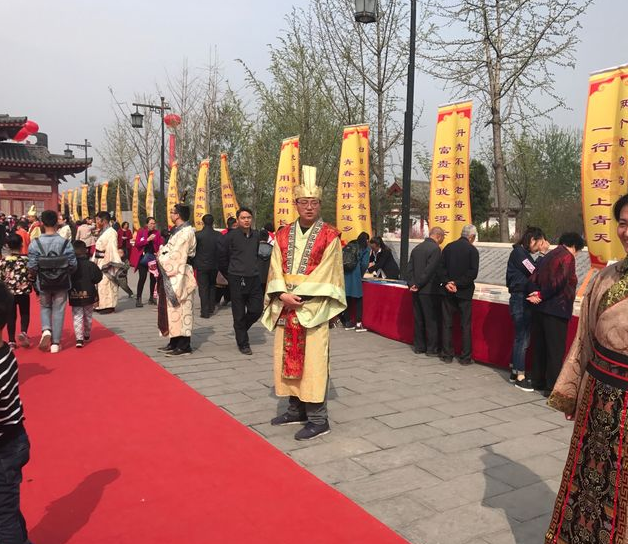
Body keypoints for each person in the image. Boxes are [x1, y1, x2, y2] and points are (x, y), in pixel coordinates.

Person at [544, 195, 628, 544]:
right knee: (586, 477)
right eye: (622, 222)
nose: (626, 231)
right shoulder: (605, 276)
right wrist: (574, 390)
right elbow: (583, 340)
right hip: (596, 395)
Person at [263, 166, 346, 441]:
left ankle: (319, 419)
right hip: (286, 306)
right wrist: (281, 294)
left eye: (314, 203)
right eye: (304, 202)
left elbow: (329, 272)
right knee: (285, 359)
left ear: (320, 204)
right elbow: (275, 267)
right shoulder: (283, 234)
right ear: (296, 204)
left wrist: (299, 294)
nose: (309, 207)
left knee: (313, 364)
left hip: (312, 308)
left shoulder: (330, 236)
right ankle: (294, 408)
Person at [527, 231, 584, 396]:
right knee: (555, 349)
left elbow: (533, 279)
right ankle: (551, 386)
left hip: (541, 308)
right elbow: (561, 281)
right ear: (574, 246)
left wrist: (536, 294)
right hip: (557, 309)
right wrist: (543, 294)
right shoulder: (567, 256)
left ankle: (537, 380)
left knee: (540, 346)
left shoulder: (548, 255)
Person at [0, 283, 32, 544]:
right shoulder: (5, 353)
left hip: (5, 445)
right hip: (14, 438)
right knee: (7, 506)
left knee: (4, 516)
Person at [505, 226, 549, 391]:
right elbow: (534, 271)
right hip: (520, 299)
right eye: (540, 243)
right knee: (522, 338)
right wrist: (543, 255)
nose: (540, 246)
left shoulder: (521, 253)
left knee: (521, 337)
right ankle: (520, 376)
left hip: (521, 299)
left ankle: (515, 371)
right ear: (532, 240)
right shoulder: (519, 254)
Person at [27, 209, 77, 353]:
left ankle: (46, 329)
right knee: (59, 309)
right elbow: (73, 264)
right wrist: (66, 272)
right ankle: (55, 343)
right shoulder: (65, 243)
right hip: (62, 281)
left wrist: (34, 276)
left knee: (45, 306)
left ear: (42, 222)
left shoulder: (35, 243)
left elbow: (32, 266)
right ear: (57, 222)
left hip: (43, 281)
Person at [220, 207, 263, 355]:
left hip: (254, 277)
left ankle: (240, 327)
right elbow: (222, 257)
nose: (246, 220)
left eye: (249, 217)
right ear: (238, 220)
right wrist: (229, 274)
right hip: (236, 277)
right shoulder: (230, 237)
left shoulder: (256, 235)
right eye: (243, 218)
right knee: (238, 312)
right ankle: (243, 343)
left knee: (257, 310)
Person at [156, 204, 197, 357]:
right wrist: (162, 252)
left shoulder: (186, 233)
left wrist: (161, 256)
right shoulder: (178, 232)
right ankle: (174, 341)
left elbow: (177, 256)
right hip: (174, 272)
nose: (171, 215)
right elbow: (169, 250)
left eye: (172, 212)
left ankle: (184, 345)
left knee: (182, 308)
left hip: (181, 274)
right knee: (173, 310)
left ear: (178, 215)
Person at [439, 224, 480, 365]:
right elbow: (472, 273)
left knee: (447, 324)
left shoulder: (448, 247)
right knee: (465, 325)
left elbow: (441, 268)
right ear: (471, 236)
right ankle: (465, 357)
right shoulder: (472, 251)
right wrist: (458, 283)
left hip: (448, 291)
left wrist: (448, 283)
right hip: (464, 292)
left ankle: (447, 354)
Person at [407, 227, 445, 356]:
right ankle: (431, 348)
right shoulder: (435, 249)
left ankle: (419, 346)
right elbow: (430, 270)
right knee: (431, 320)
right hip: (429, 290)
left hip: (416, 290)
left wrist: (412, 284)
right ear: (439, 236)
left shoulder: (417, 248)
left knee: (419, 319)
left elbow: (409, 268)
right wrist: (418, 284)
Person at [0, 234, 33, 349]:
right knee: (24, 312)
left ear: (8, 246)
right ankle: (23, 332)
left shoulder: (3, 262)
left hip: (8, 293)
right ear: (21, 245)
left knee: (11, 316)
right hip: (23, 290)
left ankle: (11, 340)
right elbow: (31, 275)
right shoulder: (26, 260)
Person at [69, 240, 103, 348]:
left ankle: (79, 339)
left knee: (77, 316)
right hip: (89, 293)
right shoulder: (91, 265)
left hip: (74, 294)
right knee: (88, 315)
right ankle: (87, 334)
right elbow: (98, 277)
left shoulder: (71, 266)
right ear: (85, 251)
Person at [92, 211, 121, 314]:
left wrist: (109, 263)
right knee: (100, 283)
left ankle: (109, 305)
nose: (96, 222)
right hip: (100, 259)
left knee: (107, 282)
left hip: (106, 259)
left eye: (98, 220)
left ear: (103, 220)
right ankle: (102, 304)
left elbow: (112, 248)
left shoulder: (112, 232)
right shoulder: (103, 231)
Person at [194, 214, 221, 318]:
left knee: (203, 287)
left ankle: (204, 311)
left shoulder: (198, 235)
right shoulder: (218, 235)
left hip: (201, 265)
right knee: (212, 285)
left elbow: (194, 250)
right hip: (214, 264)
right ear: (213, 222)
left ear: (203, 222)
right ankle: (211, 307)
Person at [342, 231, 371, 332]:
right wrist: (361, 274)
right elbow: (364, 264)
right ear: (367, 240)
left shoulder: (350, 244)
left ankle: (348, 322)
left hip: (345, 274)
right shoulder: (365, 247)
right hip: (355, 274)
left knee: (346, 298)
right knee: (358, 298)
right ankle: (358, 324)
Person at [132, 217, 162, 307]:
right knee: (142, 278)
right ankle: (138, 298)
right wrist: (147, 239)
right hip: (143, 258)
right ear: (147, 224)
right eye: (151, 223)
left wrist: (159, 250)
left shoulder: (157, 232)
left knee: (153, 278)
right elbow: (137, 244)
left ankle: (151, 297)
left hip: (153, 257)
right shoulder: (141, 231)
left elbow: (159, 243)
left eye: (154, 223)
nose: (153, 225)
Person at [257, 229, 273, 294]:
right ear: (267, 237)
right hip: (269, 277)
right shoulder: (273, 248)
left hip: (256, 276)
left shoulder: (254, 248)